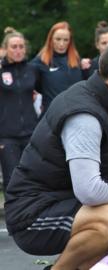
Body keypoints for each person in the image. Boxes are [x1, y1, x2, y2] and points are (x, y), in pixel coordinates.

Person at [4, 36, 108, 270]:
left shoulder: (105, 101)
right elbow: (89, 190)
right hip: (32, 214)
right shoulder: (84, 116)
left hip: (64, 200)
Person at [0, 27, 39, 193]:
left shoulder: (32, 70)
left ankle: (31, 217)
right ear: (5, 49)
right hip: (7, 136)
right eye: (13, 47)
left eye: (21, 46)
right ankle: (13, 219)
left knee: (32, 178)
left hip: (31, 133)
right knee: (12, 180)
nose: (18, 50)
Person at [31, 21, 87, 112]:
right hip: (51, 115)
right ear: (50, 39)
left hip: (75, 113)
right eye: (58, 39)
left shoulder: (78, 61)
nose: (61, 44)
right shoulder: (40, 62)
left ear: (70, 41)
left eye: (66, 40)